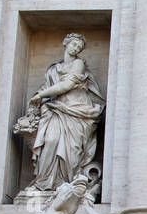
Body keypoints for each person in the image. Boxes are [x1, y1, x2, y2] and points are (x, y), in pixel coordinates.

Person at [27, 33, 104, 192]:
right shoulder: (53, 69)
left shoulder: (78, 64)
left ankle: (66, 183)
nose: (76, 48)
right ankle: (45, 182)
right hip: (56, 109)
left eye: (79, 47)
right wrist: (39, 98)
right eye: (74, 44)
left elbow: (67, 85)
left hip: (77, 110)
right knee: (51, 141)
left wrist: (41, 95)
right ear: (65, 43)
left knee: (72, 149)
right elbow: (48, 86)